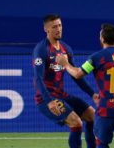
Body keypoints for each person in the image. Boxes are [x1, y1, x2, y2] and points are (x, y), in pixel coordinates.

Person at [56, 23, 114, 148]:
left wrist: (65, 64)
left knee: (101, 142)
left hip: (106, 109)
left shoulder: (96, 58)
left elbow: (77, 74)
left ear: (102, 38)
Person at [33, 14, 97, 148]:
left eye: (60, 25)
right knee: (76, 123)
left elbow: (75, 75)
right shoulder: (41, 50)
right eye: (54, 26)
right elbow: (38, 78)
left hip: (61, 95)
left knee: (93, 116)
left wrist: (92, 94)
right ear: (46, 29)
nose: (58, 29)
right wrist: (49, 101)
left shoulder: (66, 49)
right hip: (46, 99)